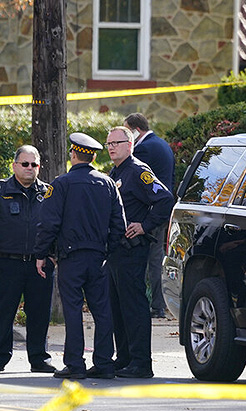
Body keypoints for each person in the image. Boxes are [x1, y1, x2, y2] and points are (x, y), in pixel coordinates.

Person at [34, 133, 127, 379]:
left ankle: (75, 365)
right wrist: (108, 250)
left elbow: (48, 223)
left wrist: (41, 253)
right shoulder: (107, 183)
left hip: (71, 258)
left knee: (73, 311)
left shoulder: (61, 184)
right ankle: (105, 363)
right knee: (102, 311)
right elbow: (120, 224)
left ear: (73, 154)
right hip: (98, 257)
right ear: (93, 156)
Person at [106, 126, 174, 378]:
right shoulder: (117, 172)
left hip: (131, 251)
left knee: (133, 306)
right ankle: (124, 358)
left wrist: (145, 225)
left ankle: (141, 363)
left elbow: (165, 200)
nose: (111, 147)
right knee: (118, 306)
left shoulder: (138, 171)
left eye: (117, 142)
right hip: (115, 252)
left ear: (130, 144)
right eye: (109, 143)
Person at [0, 146, 56, 373]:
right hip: (7, 262)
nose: (30, 169)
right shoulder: (2, 190)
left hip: (39, 263)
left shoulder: (49, 192)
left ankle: (39, 358)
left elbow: (56, 226)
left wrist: (52, 255)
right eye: (25, 164)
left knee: (40, 312)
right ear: (14, 166)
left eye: (34, 165)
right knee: (3, 312)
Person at [123, 113, 175, 319]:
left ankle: (156, 305)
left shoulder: (143, 148)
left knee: (151, 260)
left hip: (149, 214)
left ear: (135, 130)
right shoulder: (162, 144)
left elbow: (134, 179)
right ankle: (159, 304)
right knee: (156, 258)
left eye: (128, 130)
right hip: (162, 210)